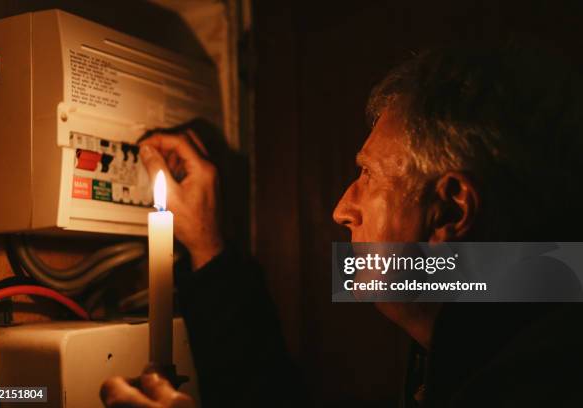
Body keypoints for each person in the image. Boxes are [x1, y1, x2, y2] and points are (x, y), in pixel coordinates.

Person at [101, 43, 583, 407]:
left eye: (367, 174)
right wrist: (208, 248)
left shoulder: (543, 379)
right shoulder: (511, 328)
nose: (341, 209)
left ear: (452, 210)